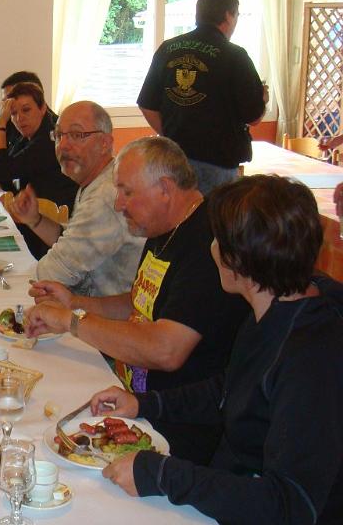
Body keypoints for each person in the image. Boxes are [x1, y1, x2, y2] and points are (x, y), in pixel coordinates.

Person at [95, 175, 343, 524]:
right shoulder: (274, 307)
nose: (210, 248)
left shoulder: (310, 358)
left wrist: (165, 475)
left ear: (238, 259)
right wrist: (145, 404)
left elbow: (291, 503)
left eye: (217, 239)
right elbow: (230, 391)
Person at [25, 136, 249, 464]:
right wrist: (74, 303)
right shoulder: (165, 228)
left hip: (173, 429)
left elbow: (165, 350)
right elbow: (140, 302)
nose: (118, 204)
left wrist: (72, 321)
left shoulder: (206, 247)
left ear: (165, 189)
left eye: (126, 192)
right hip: (130, 397)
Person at [137, 0, 267, 195]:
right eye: (236, 15)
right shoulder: (235, 56)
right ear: (228, 15)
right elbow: (253, 116)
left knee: (177, 214)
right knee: (214, 214)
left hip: (174, 160)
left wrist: (171, 135)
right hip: (218, 163)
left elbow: (146, 104)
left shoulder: (167, 49)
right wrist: (263, 98)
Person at [10, 101, 143, 296]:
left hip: (111, 310)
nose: (63, 145)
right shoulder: (97, 180)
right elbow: (71, 240)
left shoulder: (106, 195)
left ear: (105, 143)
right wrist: (34, 219)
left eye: (76, 135)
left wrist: (12, 283)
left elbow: (56, 270)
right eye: (59, 135)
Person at [0, 82, 78, 259]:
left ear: (43, 108)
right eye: (13, 113)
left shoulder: (48, 140)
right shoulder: (27, 138)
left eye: (26, 110)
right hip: (31, 223)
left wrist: (0, 123)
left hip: (52, 233)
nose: (19, 118)